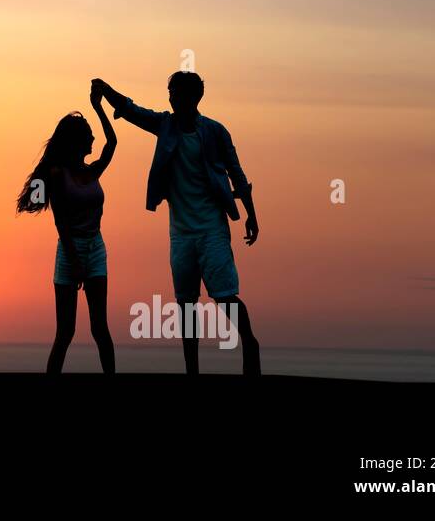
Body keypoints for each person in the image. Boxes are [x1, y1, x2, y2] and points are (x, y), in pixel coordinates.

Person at [95, 73, 262, 376]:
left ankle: (250, 343)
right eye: (169, 92)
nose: (171, 97)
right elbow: (132, 111)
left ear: (194, 97)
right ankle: (191, 371)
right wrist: (106, 91)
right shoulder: (165, 126)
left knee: (224, 294)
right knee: (186, 304)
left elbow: (237, 174)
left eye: (176, 92)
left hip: (212, 228)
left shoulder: (215, 132)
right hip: (181, 233)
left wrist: (250, 214)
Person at [16, 82, 118, 374]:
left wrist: (99, 107)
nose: (94, 140)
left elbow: (112, 144)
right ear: (77, 141)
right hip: (69, 250)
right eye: (88, 136)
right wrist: (74, 259)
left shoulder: (91, 170)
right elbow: (60, 221)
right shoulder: (57, 173)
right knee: (66, 332)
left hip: (96, 248)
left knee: (100, 328)